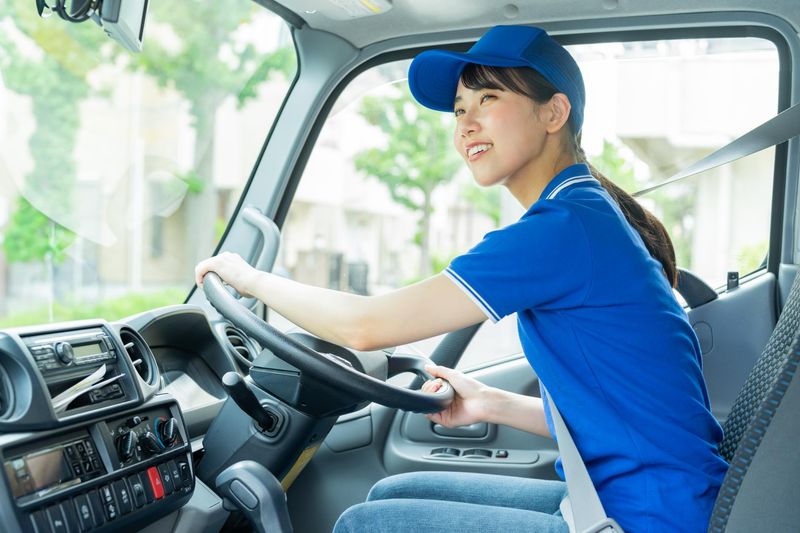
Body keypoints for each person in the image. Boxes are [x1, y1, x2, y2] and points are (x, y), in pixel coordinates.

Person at [195, 25, 728, 533]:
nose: (466, 125)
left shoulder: (563, 228)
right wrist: (490, 403)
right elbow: (612, 411)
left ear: (554, 112)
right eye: (458, 109)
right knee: (389, 495)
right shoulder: (583, 213)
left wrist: (248, 278)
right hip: (642, 501)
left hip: (648, 518)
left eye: (488, 98)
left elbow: (366, 327)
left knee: (364, 525)